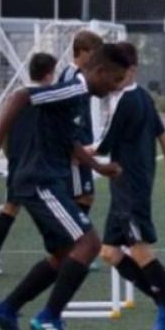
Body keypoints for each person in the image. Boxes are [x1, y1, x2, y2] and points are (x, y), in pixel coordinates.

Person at [0, 43, 129, 330]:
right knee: (88, 244)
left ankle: (7, 309)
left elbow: (67, 140)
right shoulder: (73, 89)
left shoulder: (79, 97)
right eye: (115, 80)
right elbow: (23, 96)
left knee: (63, 255)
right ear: (100, 71)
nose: (116, 87)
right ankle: (50, 316)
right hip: (40, 180)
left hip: (48, 180)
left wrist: (98, 167)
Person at [94, 42, 165, 330]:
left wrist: (67, 150)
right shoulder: (142, 96)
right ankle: (164, 302)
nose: (112, 78)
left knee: (139, 249)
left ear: (132, 70)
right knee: (110, 252)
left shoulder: (126, 100)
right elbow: (162, 134)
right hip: (124, 188)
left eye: (117, 72)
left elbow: (102, 147)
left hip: (131, 187)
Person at [0, 52, 57, 276]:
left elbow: (4, 129)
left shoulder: (16, 96)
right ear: (49, 74)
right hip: (40, 164)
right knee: (54, 205)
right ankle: (64, 255)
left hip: (18, 162)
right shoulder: (47, 98)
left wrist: (10, 155)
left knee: (11, 207)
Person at [56, 31, 104, 223]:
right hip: (75, 148)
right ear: (83, 51)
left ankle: (73, 235)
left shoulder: (82, 76)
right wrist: (72, 148)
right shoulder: (71, 76)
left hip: (83, 146)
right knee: (80, 196)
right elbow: (64, 115)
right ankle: (71, 237)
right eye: (94, 53)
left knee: (85, 196)